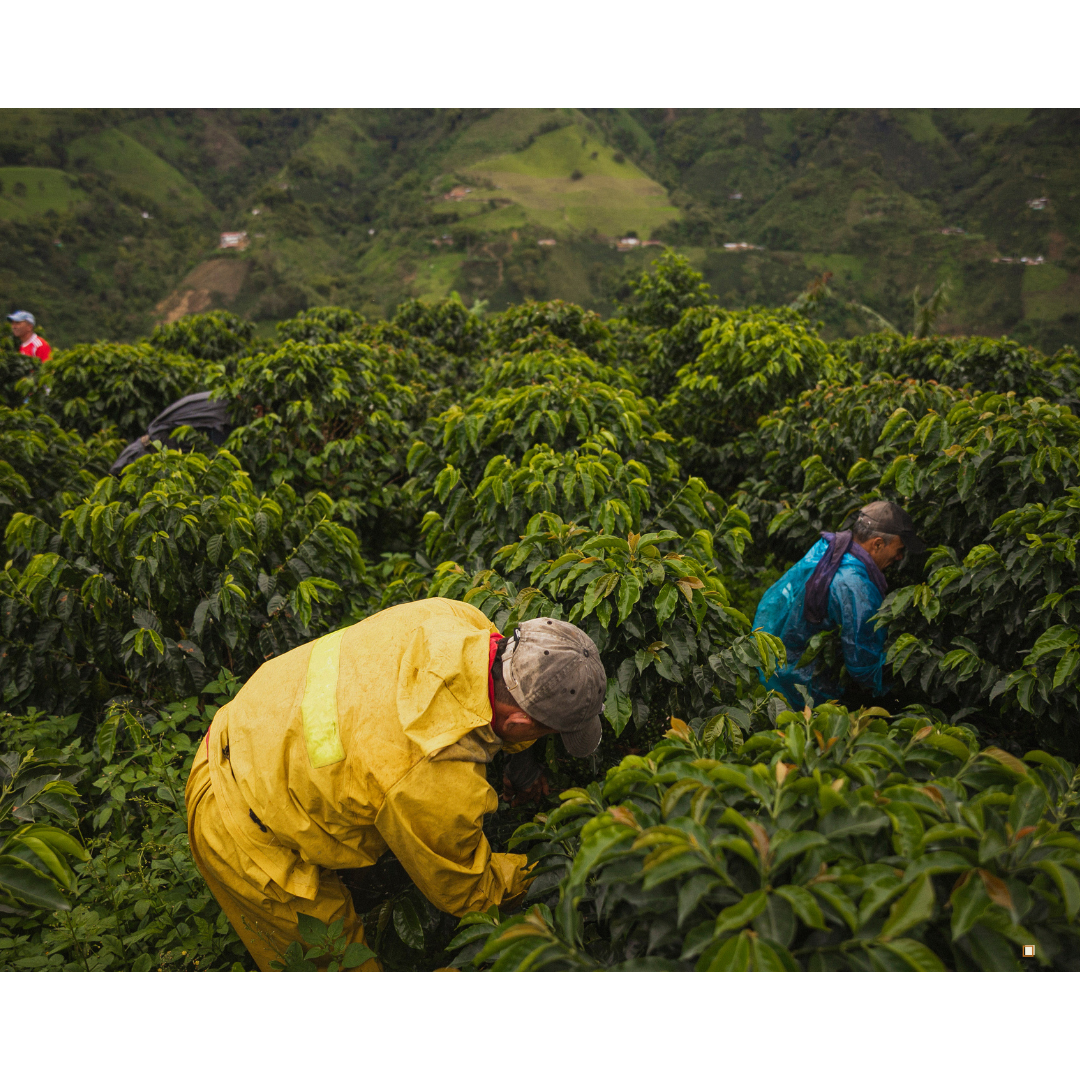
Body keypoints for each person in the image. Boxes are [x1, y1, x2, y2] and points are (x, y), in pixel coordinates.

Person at [185, 598, 606, 971]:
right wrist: (554, 869)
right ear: (519, 723)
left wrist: (521, 760)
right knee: (335, 960)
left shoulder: (456, 618)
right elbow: (468, 888)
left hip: (247, 724)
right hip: (237, 826)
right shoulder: (432, 774)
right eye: (547, 733)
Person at [753, 501, 926, 707]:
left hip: (769, 658)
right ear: (878, 543)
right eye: (899, 549)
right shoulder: (856, 586)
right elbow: (863, 665)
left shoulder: (831, 548)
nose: (899, 557)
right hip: (797, 685)